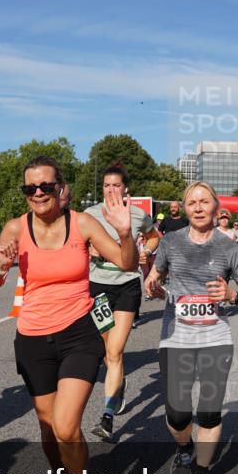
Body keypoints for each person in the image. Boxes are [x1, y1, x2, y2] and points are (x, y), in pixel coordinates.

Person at [0, 156, 136, 474]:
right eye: (30, 188)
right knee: (48, 428)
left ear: (60, 187)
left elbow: (127, 263)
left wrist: (125, 232)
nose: (38, 193)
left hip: (78, 334)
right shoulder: (15, 228)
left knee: (67, 427)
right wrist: (1, 266)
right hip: (32, 339)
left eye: (46, 187)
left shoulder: (82, 223)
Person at [145, 181, 238, 474]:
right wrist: (152, 284)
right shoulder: (170, 242)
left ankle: (204, 470)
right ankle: (185, 447)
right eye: (192, 202)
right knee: (177, 413)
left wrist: (232, 296)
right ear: (184, 208)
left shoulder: (229, 248)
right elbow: (154, 276)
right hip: (176, 337)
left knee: (209, 412)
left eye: (204, 202)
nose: (198, 207)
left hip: (215, 337)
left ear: (215, 208)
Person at [86, 163, 161, 441]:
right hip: (98, 286)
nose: (111, 190)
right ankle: (119, 382)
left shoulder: (137, 214)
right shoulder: (90, 214)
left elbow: (154, 237)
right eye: (106, 185)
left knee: (115, 352)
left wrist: (146, 252)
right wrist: (89, 249)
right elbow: (77, 243)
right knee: (108, 352)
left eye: (116, 185)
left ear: (125, 188)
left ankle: (106, 418)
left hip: (127, 285)